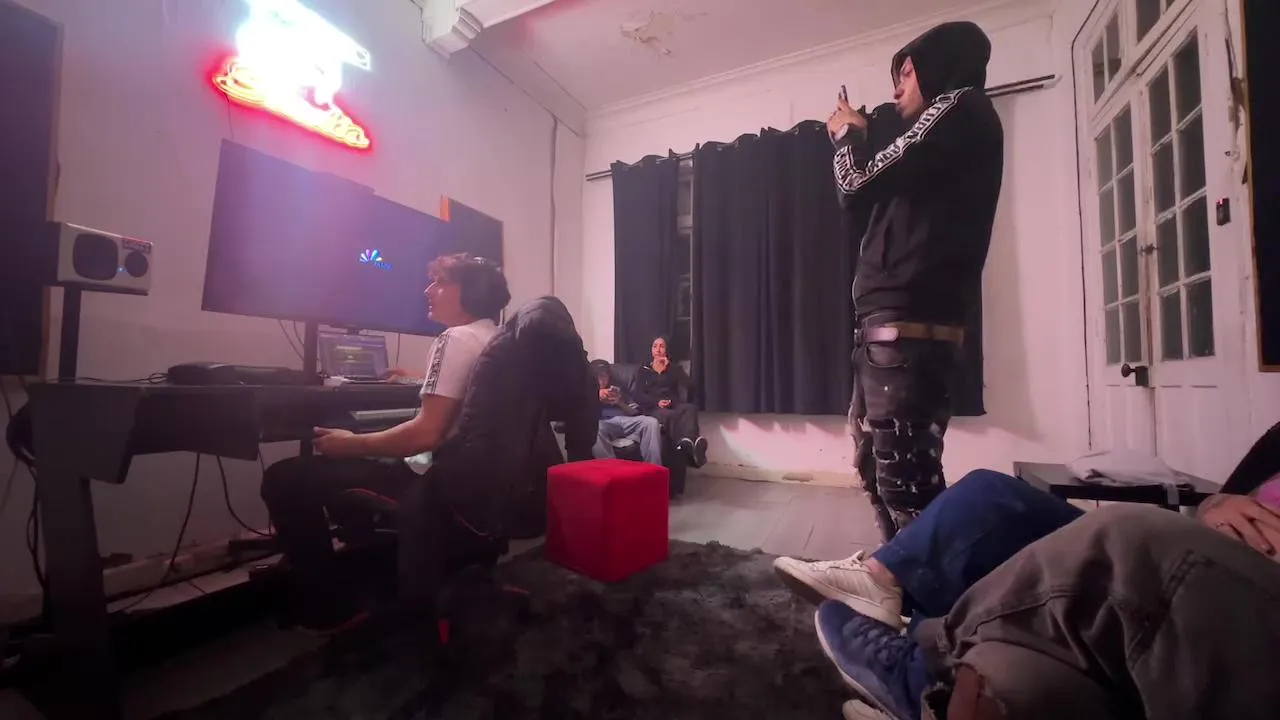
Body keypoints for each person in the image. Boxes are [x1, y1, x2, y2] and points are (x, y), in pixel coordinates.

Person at [802, 422, 1280, 719]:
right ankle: (883, 582)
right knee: (992, 499)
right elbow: (1220, 495)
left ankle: (925, 666)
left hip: (1245, 597)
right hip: (1198, 572)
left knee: (1123, 537)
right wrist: (1217, 504)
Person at [259, 254, 510, 632]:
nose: (428, 290)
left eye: (440, 282)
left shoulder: (455, 338)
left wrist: (350, 444)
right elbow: (464, 396)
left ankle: (327, 608)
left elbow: (425, 435)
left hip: (438, 485)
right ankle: (383, 572)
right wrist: (418, 377)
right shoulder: (495, 339)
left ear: (469, 291)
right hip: (480, 485)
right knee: (358, 462)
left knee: (286, 478)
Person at [828, 21, 1004, 540]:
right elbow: (870, 194)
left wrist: (848, 137)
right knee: (878, 475)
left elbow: (854, 186)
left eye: (905, 73)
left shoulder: (959, 106)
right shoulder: (939, 137)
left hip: (907, 332)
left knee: (907, 487)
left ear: (938, 66)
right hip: (889, 332)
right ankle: (897, 576)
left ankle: (937, 587)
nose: (896, 89)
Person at [635, 336, 708, 467]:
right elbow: (638, 395)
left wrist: (670, 367)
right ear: (651, 350)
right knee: (670, 415)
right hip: (653, 407)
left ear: (666, 350)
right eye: (655, 346)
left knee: (690, 408)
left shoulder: (674, 368)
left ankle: (691, 443)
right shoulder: (644, 369)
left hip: (673, 404)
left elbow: (690, 385)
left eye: (661, 346)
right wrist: (657, 402)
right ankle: (687, 452)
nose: (658, 350)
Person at [590, 359, 663, 466]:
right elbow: (583, 415)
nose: (602, 380)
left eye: (605, 376)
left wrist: (619, 402)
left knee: (651, 422)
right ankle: (612, 471)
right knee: (595, 428)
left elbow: (635, 412)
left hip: (626, 421)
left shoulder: (616, 388)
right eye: (598, 376)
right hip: (604, 424)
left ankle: (654, 470)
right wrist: (596, 397)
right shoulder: (587, 392)